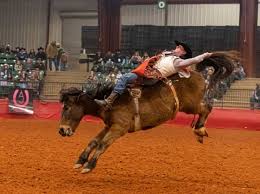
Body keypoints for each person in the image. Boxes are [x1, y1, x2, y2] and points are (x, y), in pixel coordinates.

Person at [95, 40, 211, 109]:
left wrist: (204, 55)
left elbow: (193, 60)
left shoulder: (178, 62)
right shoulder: (167, 56)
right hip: (149, 74)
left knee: (124, 78)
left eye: (179, 48)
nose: (176, 48)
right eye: (177, 46)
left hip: (152, 76)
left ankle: (109, 101)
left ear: (183, 53)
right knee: (126, 82)